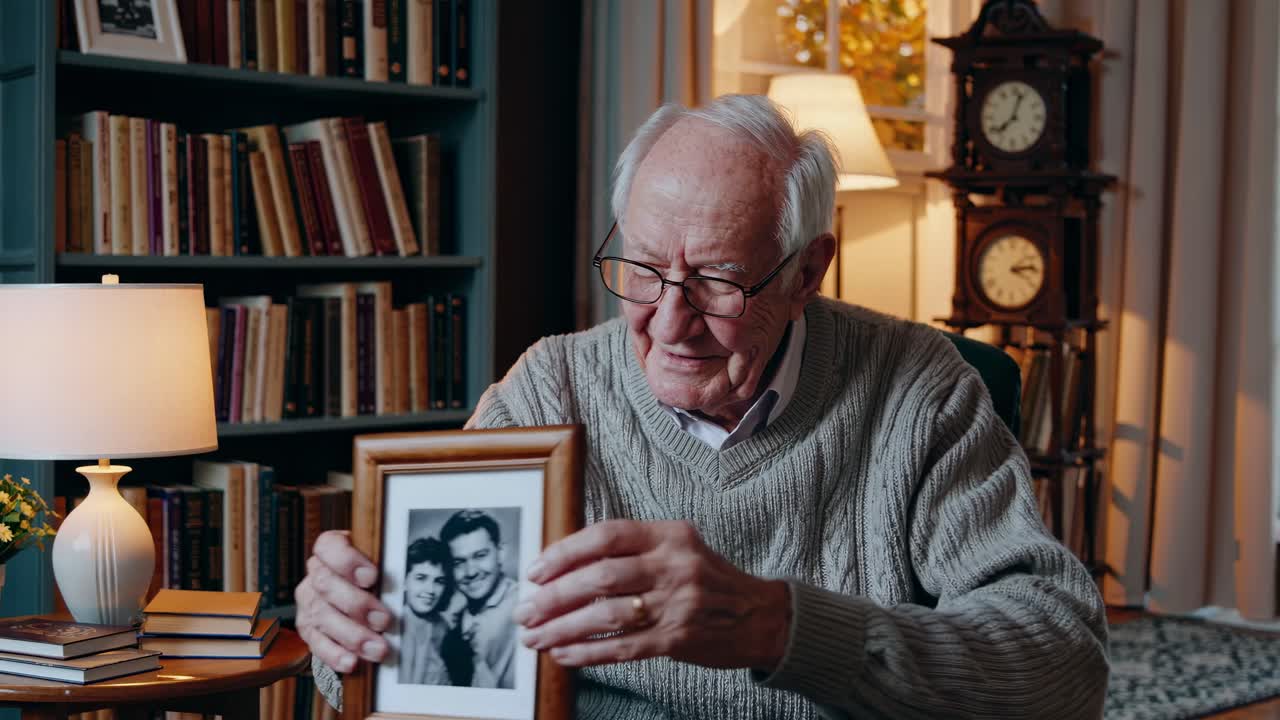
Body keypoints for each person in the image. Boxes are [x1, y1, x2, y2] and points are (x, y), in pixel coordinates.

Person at [296, 93, 1109, 719]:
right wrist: (344, 631)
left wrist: (777, 626)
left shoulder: (916, 390)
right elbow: (406, 670)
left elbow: (1065, 665)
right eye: (643, 269)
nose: (670, 323)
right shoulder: (553, 387)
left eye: (718, 281)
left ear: (807, 273)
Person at [439, 509, 518, 689]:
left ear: (501, 553)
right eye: (459, 562)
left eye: (480, 556)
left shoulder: (522, 606)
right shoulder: (456, 620)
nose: (471, 572)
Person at [398, 537, 455, 686]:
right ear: (404, 581)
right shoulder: (394, 622)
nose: (430, 590)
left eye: (439, 581)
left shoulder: (443, 627)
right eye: (421, 578)